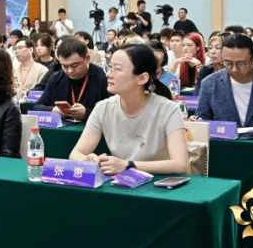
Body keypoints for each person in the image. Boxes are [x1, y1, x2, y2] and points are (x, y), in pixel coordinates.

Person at [70, 44, 187, 175]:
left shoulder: (169, 110)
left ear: (142, 78)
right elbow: (75, 153)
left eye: (117, 69)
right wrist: (86, 159)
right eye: (110, 68)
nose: (108, 74)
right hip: (123, 181)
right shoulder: (103, 108)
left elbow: (180, 164)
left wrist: (129, 165)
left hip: (159, 182)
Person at [33, 37, 111, 121]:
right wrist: (53, 110)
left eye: (74, 65)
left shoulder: (103, 79)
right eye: (64, 66)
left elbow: (112, 114)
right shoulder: (56, 78)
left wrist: (87, 113)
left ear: (88, 59)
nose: (70, 71)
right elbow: (37, 107)